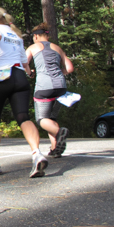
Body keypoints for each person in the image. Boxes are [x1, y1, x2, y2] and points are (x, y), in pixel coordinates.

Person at [0, 7, 47, 178]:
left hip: (1, 77)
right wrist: (29, 73)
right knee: (23, 117)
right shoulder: (16, 34)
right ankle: (36, 154)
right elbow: (24, 62)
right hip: (19, 77)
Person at [26, 23, 74, 158]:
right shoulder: (57, 48)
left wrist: (30, 73)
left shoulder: (34, 47)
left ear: (36, 36)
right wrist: (59, 73)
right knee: (51, 118)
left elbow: (23, 62)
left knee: (42, 119)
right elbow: (70, 68)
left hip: (44, 87)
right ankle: (55, 148)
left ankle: (60, 132)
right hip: (61, 87)